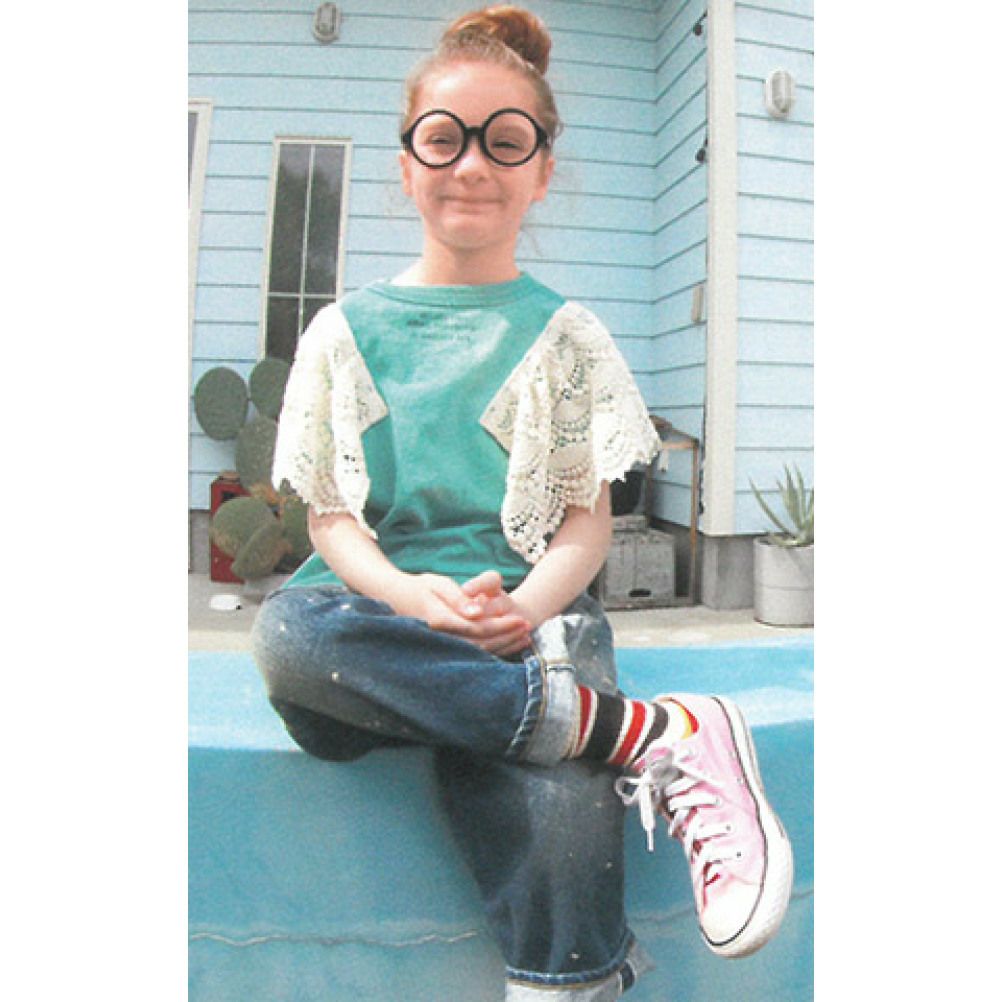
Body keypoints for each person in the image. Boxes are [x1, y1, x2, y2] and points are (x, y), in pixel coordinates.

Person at [251, 6, 793, 999]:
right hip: (384, 631)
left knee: (560, 807)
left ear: (542, 171)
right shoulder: (343, 332)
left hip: (527, 625)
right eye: (443, 139)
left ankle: (564, 981)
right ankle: (639, 732)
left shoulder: (566, 336)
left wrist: (525, 610)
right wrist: (412, 599)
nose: (471, 165)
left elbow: (586, 523)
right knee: (289, 633)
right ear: (405, 164)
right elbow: (331, 520)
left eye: (506, 141)